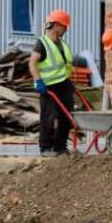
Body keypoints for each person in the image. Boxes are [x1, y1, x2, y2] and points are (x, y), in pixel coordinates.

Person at [28, 9, 76, 156]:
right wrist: (38, 81)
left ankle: (60, 147)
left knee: (66, 116)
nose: (66, 29)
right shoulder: (42, 43)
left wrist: (69, 81)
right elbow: (32, 63)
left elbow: (66, 64)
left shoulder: (62, 44)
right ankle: (45, 147)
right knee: (48, 116)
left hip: (64, 84)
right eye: (64, 26)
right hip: (49, 86)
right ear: (56, 25)